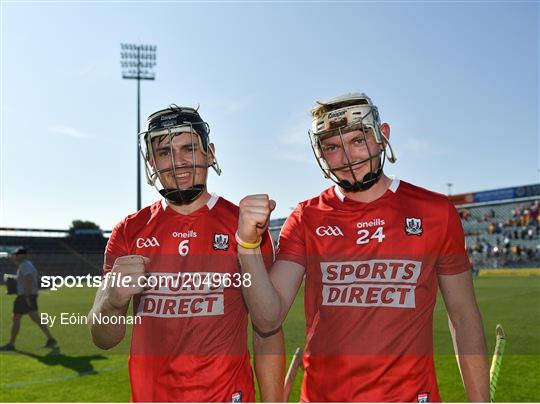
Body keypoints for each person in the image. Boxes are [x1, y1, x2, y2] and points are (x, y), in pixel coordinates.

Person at [237, 93, 490, 402]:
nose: (347, 157)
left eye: (357, 140)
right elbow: (267, 319)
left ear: (382, 135)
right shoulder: (305, 217)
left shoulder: (435, 211)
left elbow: (464, 317)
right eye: (332, 147)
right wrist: (247, 245)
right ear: (320, 153)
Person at [88, 104, 283, 402]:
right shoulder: (129, 230)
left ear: (210, 153)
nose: (177, 162)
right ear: (151, 162)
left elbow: (266, 328)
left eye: (188, 148)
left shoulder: (243, 226)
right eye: (164, 152)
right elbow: (103, 339)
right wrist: (113, 304)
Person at [0, 247, 57, 351]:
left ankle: (11, 344)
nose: (16, 256)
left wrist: (26, 296)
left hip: (25, 296)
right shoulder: (25, 264)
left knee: (16, 318)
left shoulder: (25, 265)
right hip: (29, 295)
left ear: (24, 255)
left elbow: (29, 279)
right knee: (35, 318)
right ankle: (51, 339)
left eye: (18, 254)